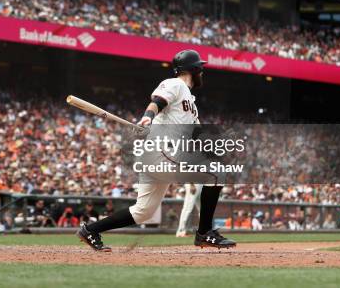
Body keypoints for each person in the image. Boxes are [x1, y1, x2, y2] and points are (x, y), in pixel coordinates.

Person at [77, 50, 236, 251]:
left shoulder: (190, 104)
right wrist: (148, 117)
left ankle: (90, 230)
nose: (202, 72)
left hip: (161, 156)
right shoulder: (175, 83)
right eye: (200, 68)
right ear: (194, 69)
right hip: (162, 152)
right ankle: (205, 233)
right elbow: (157, 102)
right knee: (216, 173)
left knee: (143, 211)